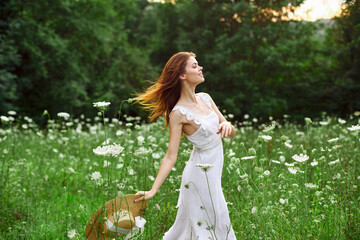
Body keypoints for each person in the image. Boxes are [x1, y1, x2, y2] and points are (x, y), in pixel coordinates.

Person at [133, 52, 237, 239]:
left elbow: (229, 131)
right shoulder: (178, 114)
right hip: (199, 176)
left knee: (219, 221)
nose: (200, 68)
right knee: (206, 227)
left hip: (213, 174)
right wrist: (153, 190)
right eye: (195, 66)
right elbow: (170, 156)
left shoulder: (206, 98)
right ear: (182, 75)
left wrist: (228, 125)